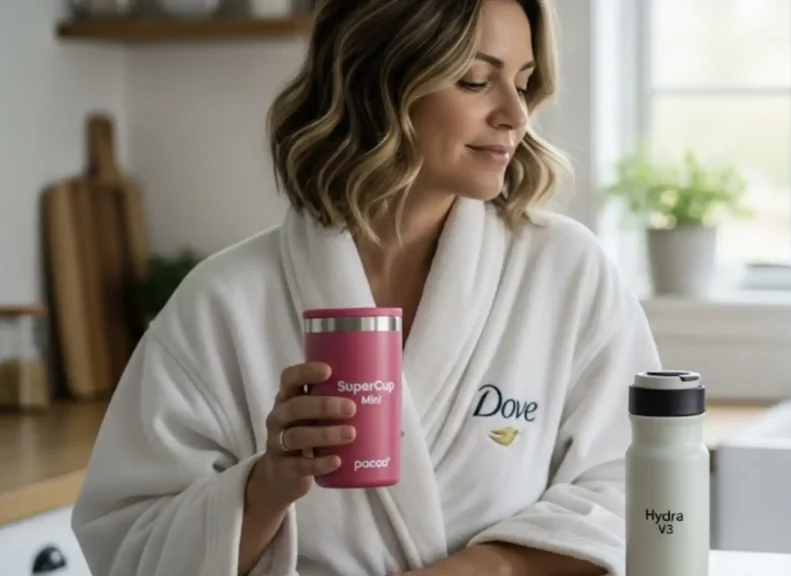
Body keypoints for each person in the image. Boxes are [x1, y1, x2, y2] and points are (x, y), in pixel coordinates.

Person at [70, 0, 662, 574]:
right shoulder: (223, 304)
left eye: (524, 84)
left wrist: (488, 567)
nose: (515, 114)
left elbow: (637, 486)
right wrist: (267, 485)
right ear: (377, 82)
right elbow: (128, 544)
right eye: (476, 81)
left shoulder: (565, 273)